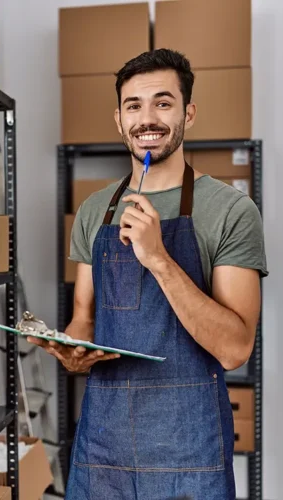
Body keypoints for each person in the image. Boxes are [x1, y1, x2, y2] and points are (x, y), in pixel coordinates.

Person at [28, 49, 268, 499]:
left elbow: (235, 348)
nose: (147, 119)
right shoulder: (95, 211)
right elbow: (85, 318)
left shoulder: (231, 211)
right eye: (134, 106)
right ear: (119, 120)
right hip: (104, 447)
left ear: (188, 113)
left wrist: (158, 257)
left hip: (189, 454)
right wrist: (73, 352)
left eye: (163, 102)